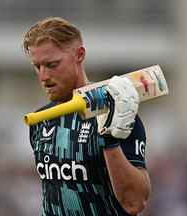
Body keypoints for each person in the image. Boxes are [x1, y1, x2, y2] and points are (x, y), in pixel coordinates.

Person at [22, 17, 151, 216]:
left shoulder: (116, 112)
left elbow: (134, 203)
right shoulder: (40, 120)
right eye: (37, 67)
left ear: (79, 55)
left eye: (52, 64)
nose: (43, 77)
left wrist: (109, 140)